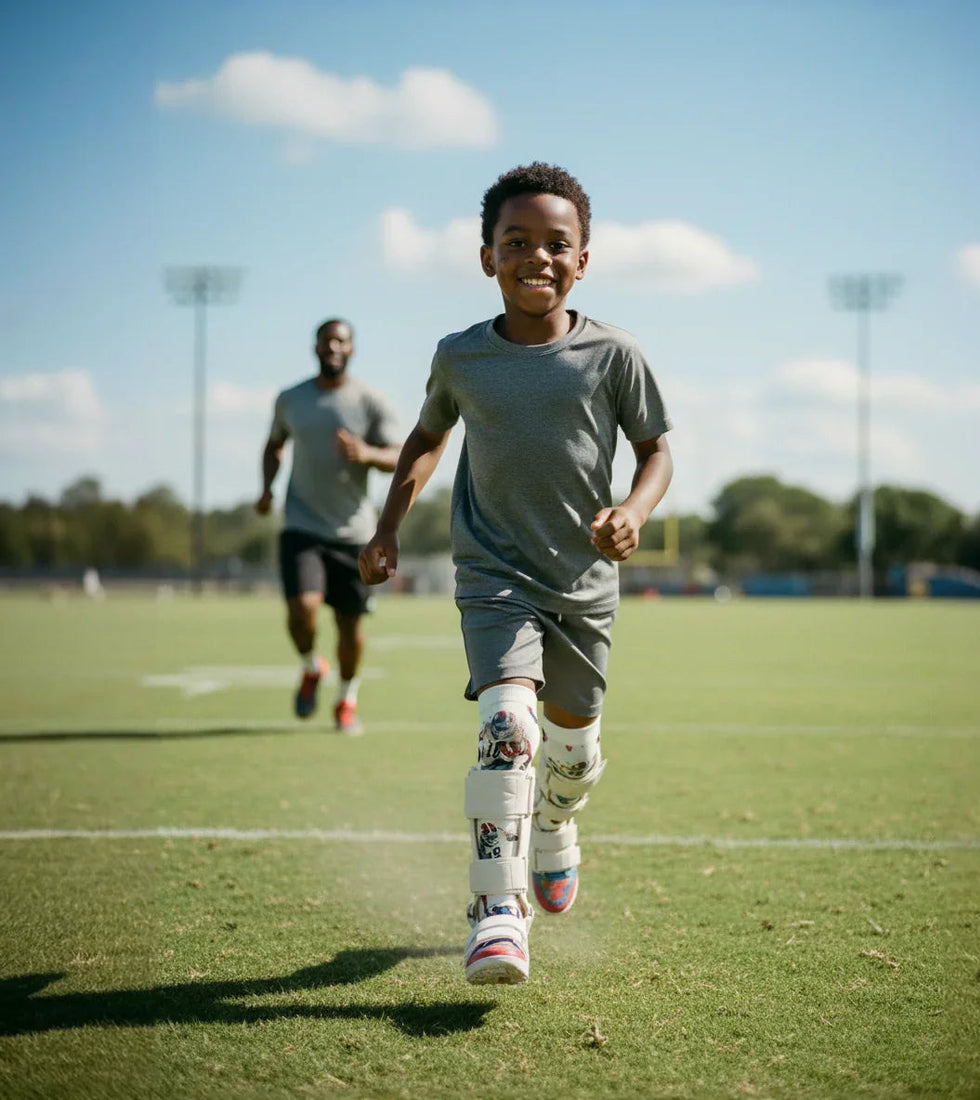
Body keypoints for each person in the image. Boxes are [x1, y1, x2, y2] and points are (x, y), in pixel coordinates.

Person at [359, 163, 673, 984]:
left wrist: (633, 512)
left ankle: (560, 824)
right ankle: (497, 913)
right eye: (517, 242)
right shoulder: (460, 356)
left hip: (583, 583)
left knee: (568, 756)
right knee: (508, 729)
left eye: (556, 244)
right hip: (493, 573)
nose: (537, 256)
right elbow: (427, 439)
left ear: (584, 258)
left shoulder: (614, 354)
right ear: (487, 256)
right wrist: (388, 524)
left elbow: (656, 453)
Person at [257, 318, 402, 734]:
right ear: (316, 347)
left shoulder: (370, 401)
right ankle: (310, 666)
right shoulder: (291, 399)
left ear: (352, 349)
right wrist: (266, 489)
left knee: (349, 625)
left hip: (355, 532)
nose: (333, 348)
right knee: (302, 611)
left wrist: (366, 453)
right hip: (301, 524)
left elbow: (400, 455)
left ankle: (346, 699)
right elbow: (273, 445)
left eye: (341, 341)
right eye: (326, 341)